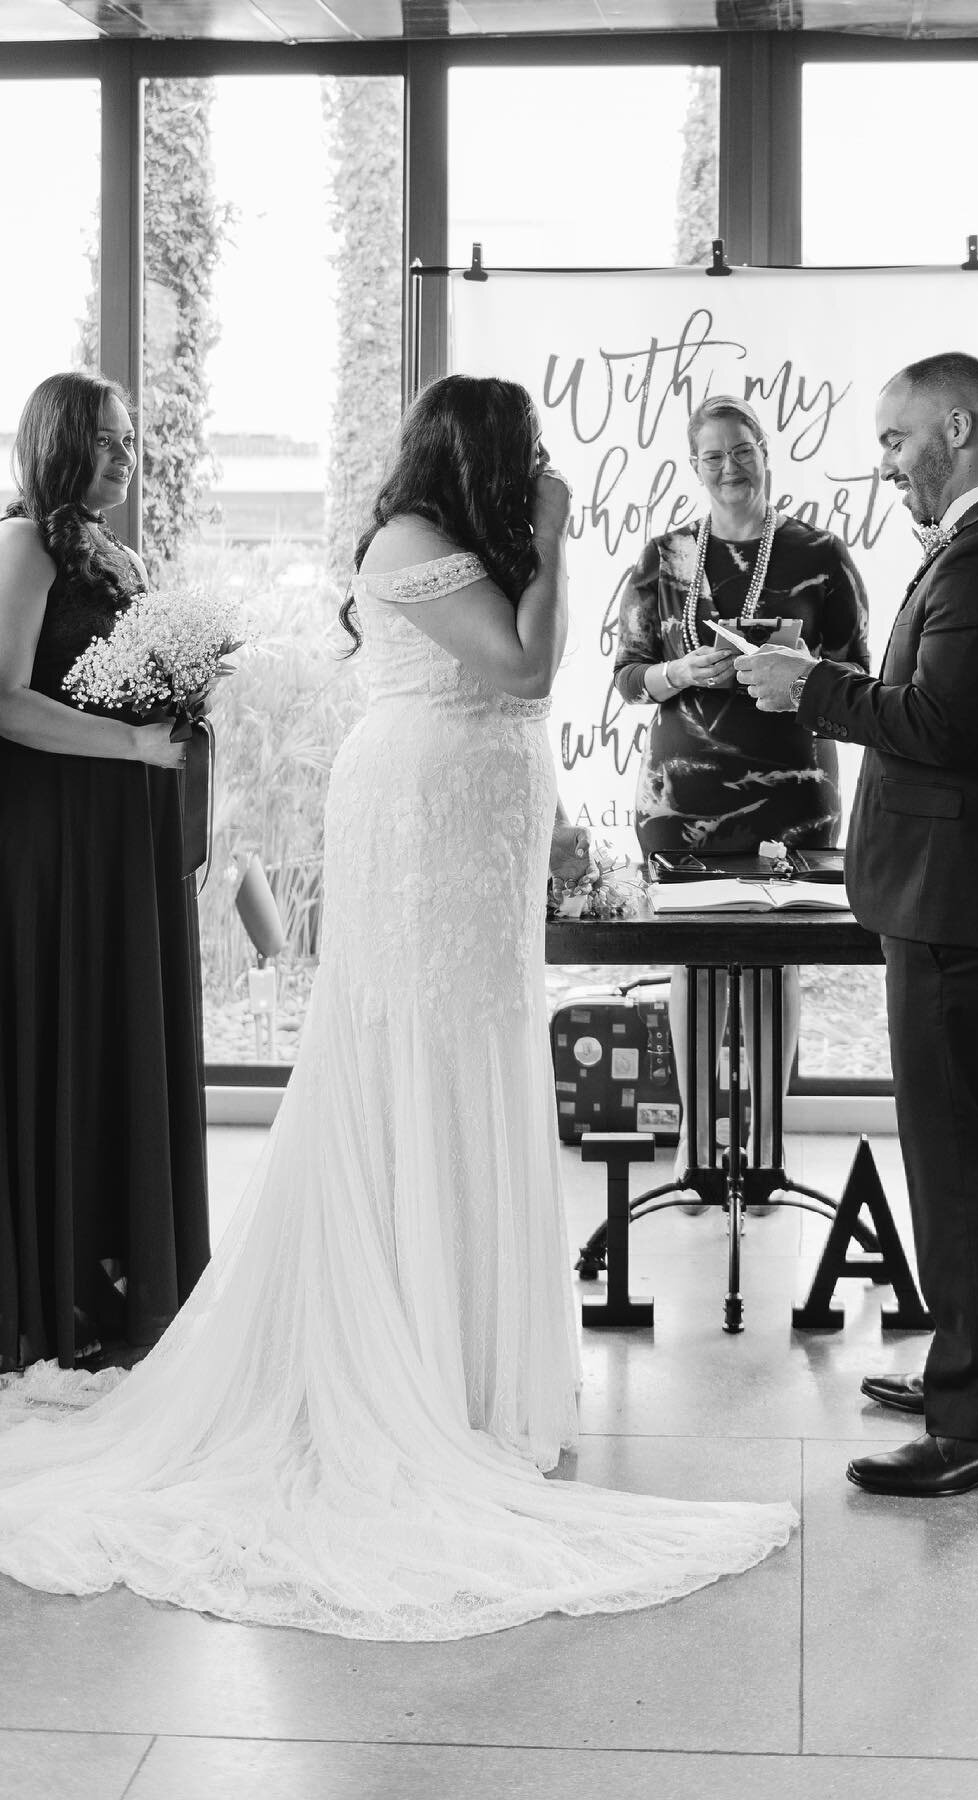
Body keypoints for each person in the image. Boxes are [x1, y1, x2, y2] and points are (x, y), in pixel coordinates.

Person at [0, 374, 794, 1638]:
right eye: (524, 449)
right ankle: (416, 1365)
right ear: (478, 455)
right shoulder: (410, 543)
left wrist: (534, 540)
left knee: (477, 1052)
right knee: (416, 1059)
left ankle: (475, 1367)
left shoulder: (468, 546)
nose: (539, 463)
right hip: (421, 819)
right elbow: (529, 671)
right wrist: (554, 530)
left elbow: (524, 677)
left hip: (476, 822)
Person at [738, 352, 978, 1497]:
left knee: (962, 1165)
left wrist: (810, 688)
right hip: (956, 894)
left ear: (958, 426)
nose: (883, 466)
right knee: (961, 1155)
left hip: (963, 900)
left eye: (895, 440)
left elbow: (942, 724)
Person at [0, 372, 208, 1374]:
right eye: (108, 440)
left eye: (134, 442)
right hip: (53, 838)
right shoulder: (22, 542)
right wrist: (130, 749)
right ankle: (57, 1293)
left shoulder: (123, 552)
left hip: (127, 837)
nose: (127, 457)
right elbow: (2, 700)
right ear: (58, 441)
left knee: (117, 1034)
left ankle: (119, 1283)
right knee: (62, 1031)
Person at [613, 394, 869, 1183]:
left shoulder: (819, 554)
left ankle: (764, 1154)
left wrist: (800, 673)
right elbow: (627, 676)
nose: (730, 467)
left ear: (766, 452)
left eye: (741, 450)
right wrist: (678, 671)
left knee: (772, 960)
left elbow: (860, 675)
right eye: (712, 455)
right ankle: (696, 1152)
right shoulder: (664, 557)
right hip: (682, 801)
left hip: (793, 795)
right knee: (692, 964)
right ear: (695, 467)